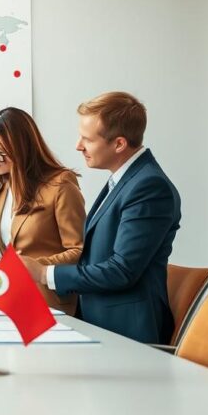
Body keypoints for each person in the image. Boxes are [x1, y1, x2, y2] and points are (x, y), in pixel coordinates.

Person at [21, 92, 180, 344]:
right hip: (98, 321)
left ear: (119, 144)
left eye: (87, 139)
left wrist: (44, 274)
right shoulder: (125, 178)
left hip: (128, 333)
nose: (78, 146)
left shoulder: (149, 186)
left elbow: (121, 270)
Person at [0, 107, 85, 314]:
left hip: (49, 303)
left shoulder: (60, 184)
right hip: (8, 300)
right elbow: (5, 253)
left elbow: (79, 251)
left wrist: (34, 268)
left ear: (22, 148)